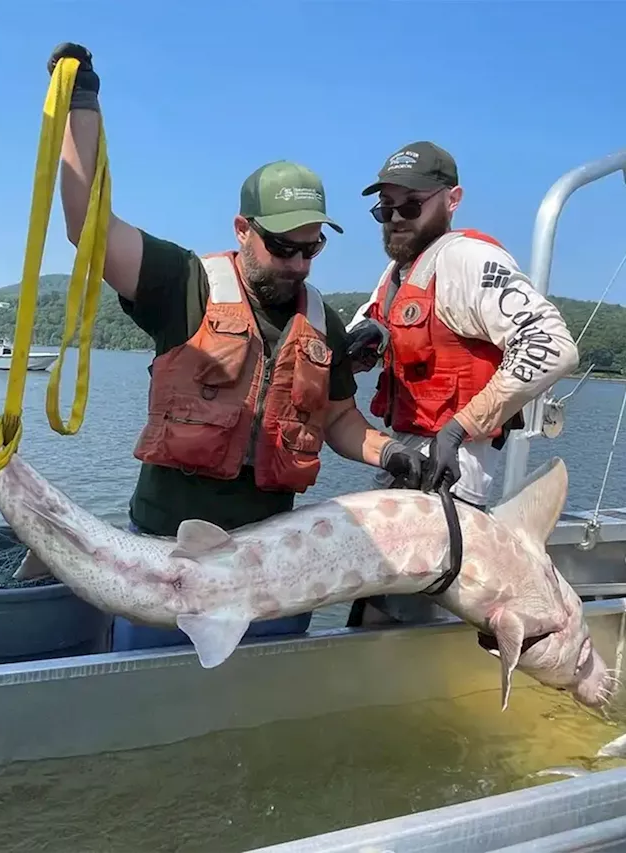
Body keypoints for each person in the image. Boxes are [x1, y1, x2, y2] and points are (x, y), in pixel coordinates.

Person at [47, 43, 424, 652]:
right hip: (169, 564)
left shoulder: (319, 318)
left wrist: (392, 454)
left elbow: (336, 418)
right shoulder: (183, 283)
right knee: (144, 707)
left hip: (274, 571)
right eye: (283, 247)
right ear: (243, 230)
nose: (299, 263)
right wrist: (82, 105)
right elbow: (85, 227)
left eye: (313, 249)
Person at [344, 141, 580, 625]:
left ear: (452, 200)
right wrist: (362, 342)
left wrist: (459, 428)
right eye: (385, 208)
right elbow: (361, 334)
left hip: (448, 483)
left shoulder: (467, 261)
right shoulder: (397, 274)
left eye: (411, 205)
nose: (396, 218)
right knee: (372, 611)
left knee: (400, 621)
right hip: (402, 471)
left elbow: (553, 343)